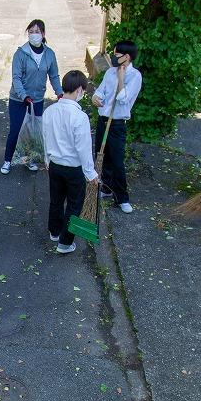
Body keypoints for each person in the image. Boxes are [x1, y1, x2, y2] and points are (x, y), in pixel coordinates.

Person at [43, 70, 98, 254]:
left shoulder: (49, 111)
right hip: (74, 169)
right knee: (74, 205)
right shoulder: (80, 117)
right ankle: (65, 243)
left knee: (56, 200)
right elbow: (83, 148)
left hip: (55, 165)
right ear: (79, 89)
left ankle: (54, 231)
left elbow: (45, 137)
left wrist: (47, 159)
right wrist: (91, 173)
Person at [1, 19, 63, 175]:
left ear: (43, 34)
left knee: (32, 132)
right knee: (16, 130)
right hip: (18, 99)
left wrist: (60, 93)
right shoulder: (20, 53)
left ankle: (29, 159)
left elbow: (54, 76)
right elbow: (16, 78)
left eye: (37, 32)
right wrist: (24, 95)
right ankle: (8, 160)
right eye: (31, 32)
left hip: (37, 99)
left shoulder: (49, 54)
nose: (34, 35)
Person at [92, 41, 142, 214]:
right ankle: (106, 188)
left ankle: (122, 198)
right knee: (101, 155)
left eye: (117, 55)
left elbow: (123, 99)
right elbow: (100, 90)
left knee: (117, 161)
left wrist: (121, 78)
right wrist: (96, 97)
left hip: (117, 123)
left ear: (126, 57)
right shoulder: (109, 72)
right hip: (103, 119)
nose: (114, 58)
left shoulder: (135, 76)